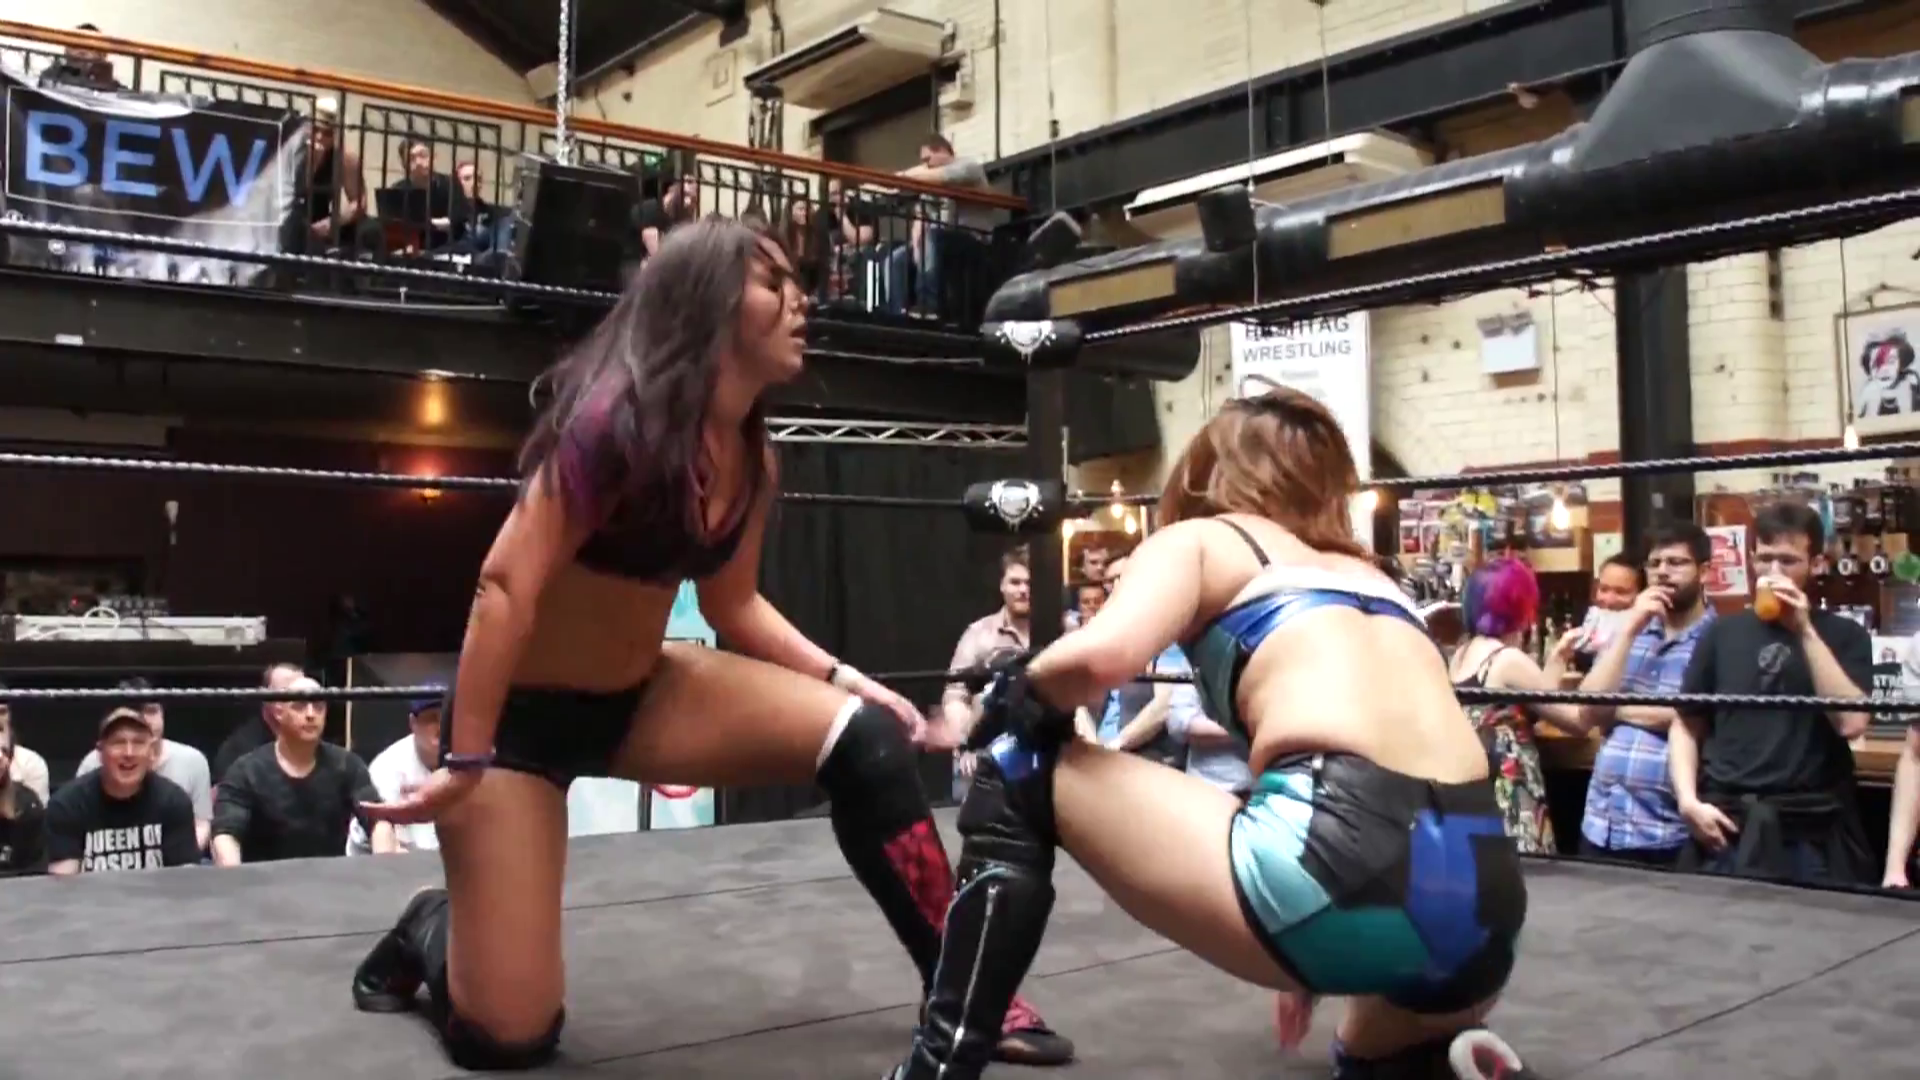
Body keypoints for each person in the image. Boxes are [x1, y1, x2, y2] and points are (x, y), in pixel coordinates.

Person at [346, 219, 1072, 1073]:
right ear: (709, 303)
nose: (801, 303)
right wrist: (466, 756)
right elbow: (503, 585)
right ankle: (431, 923)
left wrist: (844, 677)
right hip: (520, 727)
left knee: (866, 738)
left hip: (642, 694)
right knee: (508, 1036)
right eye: (774, 284)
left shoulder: (751, 455)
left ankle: (966, 989)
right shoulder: (612, 423)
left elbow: (734, 605)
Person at [887, 385, 1534, 1080]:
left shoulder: (1204, 539)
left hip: (1333, 866)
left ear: (1205, 470)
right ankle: (1449, 1057)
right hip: (1486, 903)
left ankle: (934, 1069)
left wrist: (1008, 694)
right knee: (1384, 1058)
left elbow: (1099, 660)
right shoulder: (1378, 580)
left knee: (1019, 763)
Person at [1670, 501, 1874, 886]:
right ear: (1751, 560)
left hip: (1808, 829)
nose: (1774, 572)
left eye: (1788, 560)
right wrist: (1687, 800)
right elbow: (1686, 723)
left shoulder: (1845, 635)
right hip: (1727, 822)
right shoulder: (1722, 633)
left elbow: (1850, 723)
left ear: (1816, 564)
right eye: (1765, 559)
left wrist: (1805, 631)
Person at [1448, 558, 1591, 853]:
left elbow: (1539, 698)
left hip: (1476, 796)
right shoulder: (1507, 659)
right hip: (1509, 798)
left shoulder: (1462, 654)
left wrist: (1558, 658)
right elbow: (1576, 722)